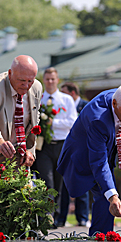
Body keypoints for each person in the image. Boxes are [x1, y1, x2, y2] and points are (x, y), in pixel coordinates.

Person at [57, 84, 121, 236]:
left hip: (103, 154)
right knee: (109, 195)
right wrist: (113, 196)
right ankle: (99, 240)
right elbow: (98, 162)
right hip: (83, 157)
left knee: (107, 196)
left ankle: (102, 238)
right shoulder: (98, 119)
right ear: (114, 104)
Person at [32, 68, 77, 226]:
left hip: (61, 145)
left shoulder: (66, 100)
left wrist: (54, 123)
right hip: (44, 146)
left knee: (59, 182)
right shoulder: (39, 99)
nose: (50, 82)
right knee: (46, 181)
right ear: (43, 80)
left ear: (57, 80)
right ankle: (47, 215)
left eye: (53, 79)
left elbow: (72, 122)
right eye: (47, 79)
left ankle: (58, 215)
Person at [56, 82, 90, 227]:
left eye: (64, 92)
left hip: (81, 150)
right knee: (64, 185)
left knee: (81, 182)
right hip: (65, 147)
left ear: (72, 93)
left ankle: (82, 217)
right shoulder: (60, 106)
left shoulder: (86, 105)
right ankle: (61, 218)